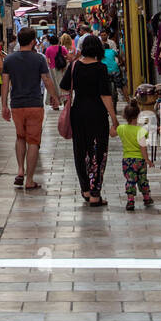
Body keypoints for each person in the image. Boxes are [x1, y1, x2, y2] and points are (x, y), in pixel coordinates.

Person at [59, 33, 118, 206]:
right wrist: (114, 119)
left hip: (78, 112)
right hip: (97, 114)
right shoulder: (100, 68)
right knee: (98, 152)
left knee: (80, 150)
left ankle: (85, 189)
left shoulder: (74, 65)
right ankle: (95, 193)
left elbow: (63, 86)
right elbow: (105, 95)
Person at [1, 28, 60, 192]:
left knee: (20, 137)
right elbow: (47, 80)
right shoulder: (39, 59)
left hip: (17, 105)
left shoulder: (9, 60)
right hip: (34, 103)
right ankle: (29, 179)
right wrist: (54, 97)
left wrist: (4, 105)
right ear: (33, 41)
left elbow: (5, 83)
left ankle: (20, 170)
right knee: (33, 141)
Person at [117, 99, 153, 210]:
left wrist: (114, 122)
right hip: (140, 161)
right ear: (138, 116)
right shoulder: (141, 130)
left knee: (130, 180)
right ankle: (146, 198)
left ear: (125, 116)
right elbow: (143, 147)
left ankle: (131, 201)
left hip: (127, 161)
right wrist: (147, 160)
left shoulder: (121, 129)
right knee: (143, 180)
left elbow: (112, 133)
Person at [44, 33, 69, 103]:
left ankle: (55, 104)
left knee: (54, 86)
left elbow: (47, 60)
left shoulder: (48, 49)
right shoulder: (62, 48)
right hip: (62, 69)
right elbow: (68, 57)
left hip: (52, 69)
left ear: (50, 42)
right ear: (58, 41)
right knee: (62, 85)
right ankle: (64, 101)